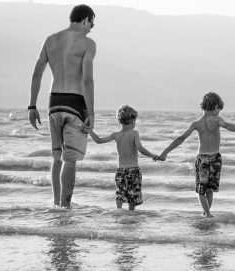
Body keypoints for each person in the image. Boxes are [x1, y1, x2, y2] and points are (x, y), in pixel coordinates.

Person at [28, 4, 96, 208]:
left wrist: (32, 106)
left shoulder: (51, 39)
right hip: (75, 102)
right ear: (85, 19)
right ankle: (65, 207)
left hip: (54, 102)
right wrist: (91, 112)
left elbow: (37, 73)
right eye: (92, 23)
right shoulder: (88, 43)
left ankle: (56, 203)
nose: (92, 27)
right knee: (70, 159)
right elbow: (87, 80)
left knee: (57, 157)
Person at [159, 92, 235, 218]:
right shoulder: (217, 120)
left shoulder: (196, 123)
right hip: (215, 158)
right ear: (215, 107)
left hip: (202, 158)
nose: (219, 112)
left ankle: (206, 212)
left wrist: (165, 152)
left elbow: (181, 138)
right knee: (210, 189)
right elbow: (228, 126)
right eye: (219, 109)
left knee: (201, 189)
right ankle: (207, 213)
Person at [88, 105, 158, 211]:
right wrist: (152, 155)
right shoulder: (134, 133)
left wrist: (89, 131)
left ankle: (119, 211)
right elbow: (140, 148)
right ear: (132, 120)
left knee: (120, 193)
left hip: (120, 170)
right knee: (133, 196)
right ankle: (131, 214)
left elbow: (98, 140)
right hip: (133, 170)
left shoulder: (116, 135)